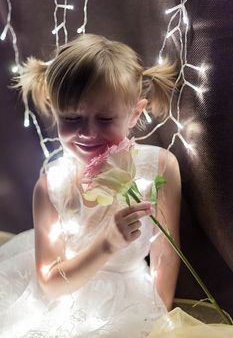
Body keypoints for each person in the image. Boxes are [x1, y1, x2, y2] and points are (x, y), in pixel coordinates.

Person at [0, 34, 181, 337]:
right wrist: (107, 244)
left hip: (132, 298)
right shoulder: (51, 188)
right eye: (71, 118)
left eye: (106, 117)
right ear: (54, 111)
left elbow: (167, 252)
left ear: (134, 113)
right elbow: (51, 284)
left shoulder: (159, 167)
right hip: (66, 297)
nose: (87, 132)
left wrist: (159, 315)